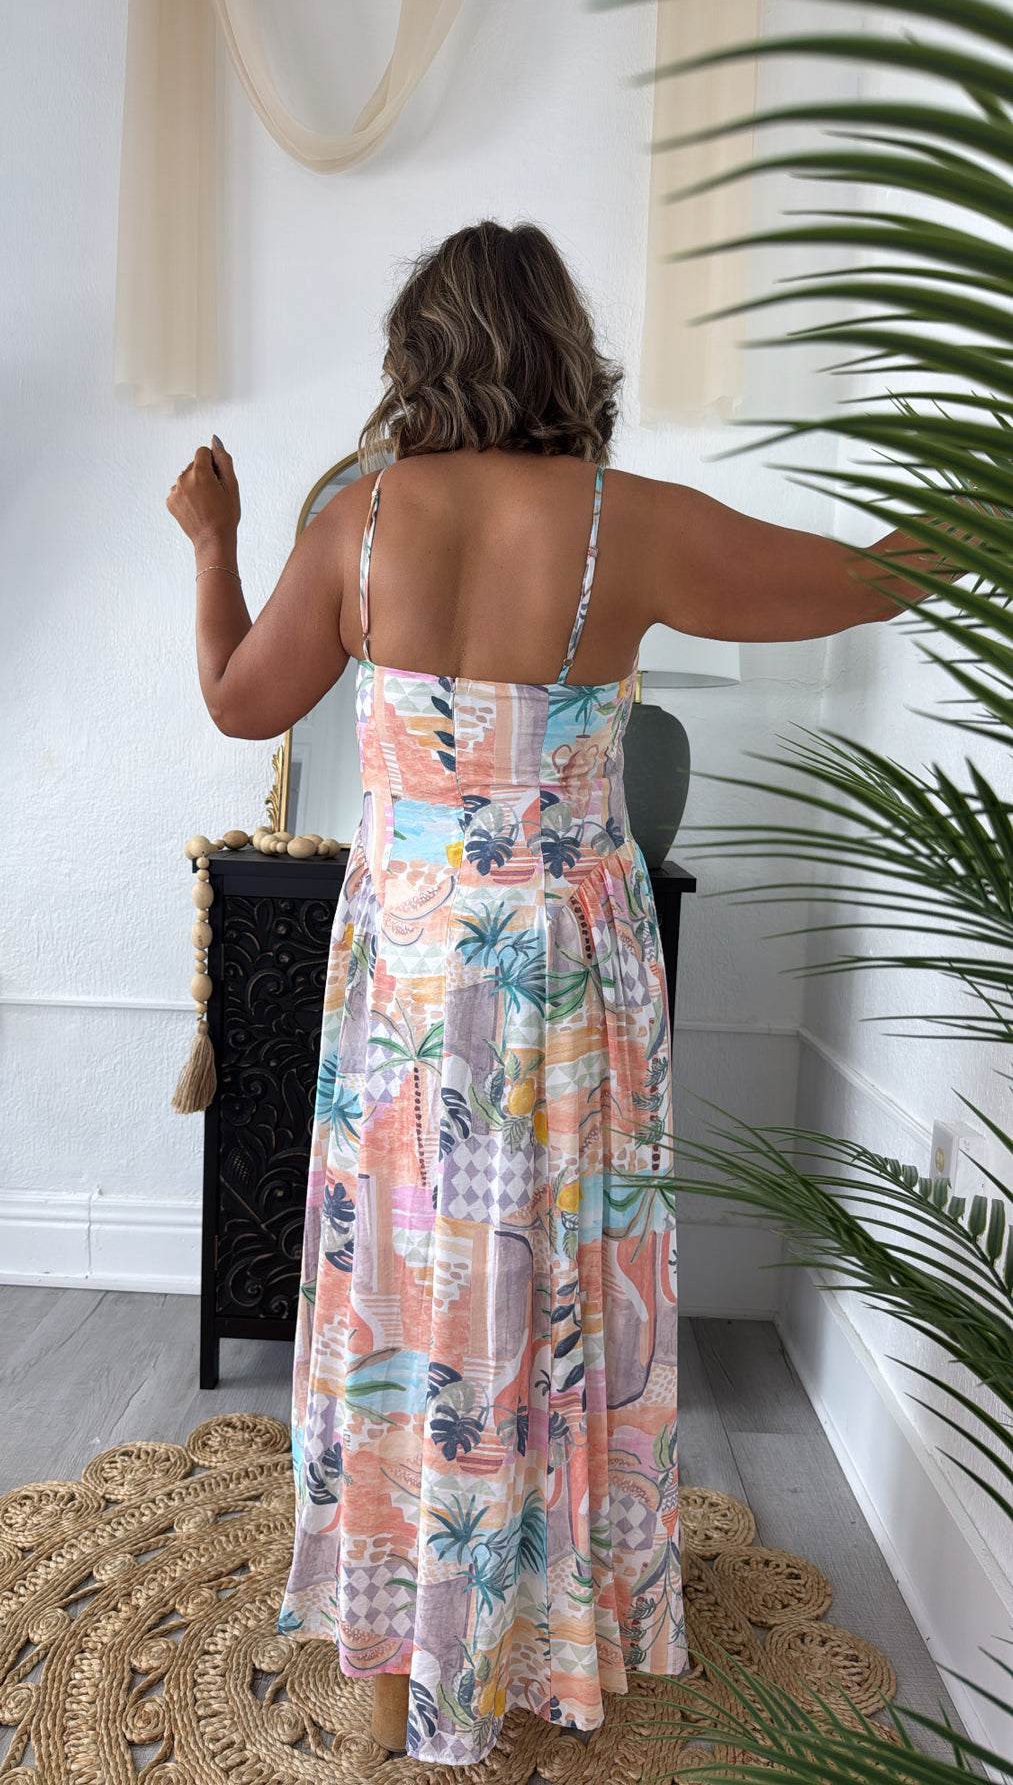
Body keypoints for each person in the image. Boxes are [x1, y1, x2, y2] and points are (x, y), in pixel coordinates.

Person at [167, 219, 957, 1768]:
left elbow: (236, 702)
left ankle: (396, 1648)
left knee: (406, 1293)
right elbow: (870, 584)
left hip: (404, 981)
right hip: (559, 990)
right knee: (550, 1294)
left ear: (420, 352)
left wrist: (214, 537)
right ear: (560, 350)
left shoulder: (356, 521)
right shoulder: (623, 524)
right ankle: (540, 1631)